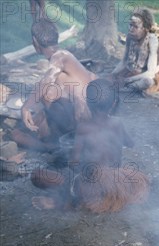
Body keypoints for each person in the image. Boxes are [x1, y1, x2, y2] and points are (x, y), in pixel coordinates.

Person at [30, 78, 150, 212]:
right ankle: (103, 199)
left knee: (37, 175)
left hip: (92, 186)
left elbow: (74, 163)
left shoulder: (83, 127)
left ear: (87, 102)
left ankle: (59, 202)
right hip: (116, 181)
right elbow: (130, 143)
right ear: (114, 103)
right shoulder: (118, 123)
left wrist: (70, 158)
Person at [12, 18, 97, 152]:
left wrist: (26, 107)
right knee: (46, 93)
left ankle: (52, 144)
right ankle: (52, 142)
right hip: (85, 121)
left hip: (84, 123)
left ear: (35, 41)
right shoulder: (64, 60)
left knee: (46, 93)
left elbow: (46, 81)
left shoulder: (60, 56)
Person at [110, 8, 159, 94]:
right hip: (131, 71)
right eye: (130, 25)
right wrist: (112, 74)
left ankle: (129, 88)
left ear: (146, 28)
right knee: (113, 77)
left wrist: (127, 80)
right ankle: (127, 87)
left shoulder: (152, 41)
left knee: (148, 82)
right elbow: (124, 62)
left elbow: (151, 73)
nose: (131, 29)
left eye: (135, 26)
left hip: (145, 74)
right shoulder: (130, 37)